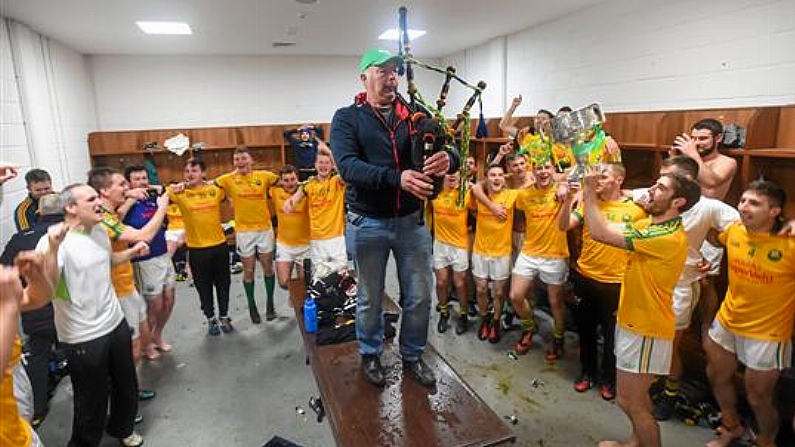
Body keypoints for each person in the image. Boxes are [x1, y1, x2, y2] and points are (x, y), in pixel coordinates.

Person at [330, 48, 457, 387]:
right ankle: (371, 353)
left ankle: (413, 355)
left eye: (395, 71)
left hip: (411, 223)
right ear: (363, 77)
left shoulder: (414, 113)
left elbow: (448, 143)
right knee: (370, 296)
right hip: (367, 222)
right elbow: (348, 167)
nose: (391, 77)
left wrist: (450, 158)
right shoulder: (347, 118)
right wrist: (396, 177)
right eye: (382, 70)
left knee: (419, 295)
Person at [581, 167, 699, 447]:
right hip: (633, 321)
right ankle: (635, 442)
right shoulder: (653, 225)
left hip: (646, 329)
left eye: (660, 187)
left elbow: (599, 233)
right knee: (638, 399)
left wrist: (587, 191)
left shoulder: (665, 237)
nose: (651, 190)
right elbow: (608, 227)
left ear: (677, 202)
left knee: (629, 401)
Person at [36, 184, 149, 447]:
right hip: (83, 336)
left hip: (114, 322)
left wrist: (131, 252)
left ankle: (122, 428)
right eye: (91, 198)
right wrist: (52, 250)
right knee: (91, 400)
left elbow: (105, 261)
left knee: (126, 385)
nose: (99, 201)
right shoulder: (54, 242)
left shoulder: (98, 230)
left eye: (98, 196)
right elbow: (48, 288)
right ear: (71, 208)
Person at [631, 156, 740, 421]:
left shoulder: (708, 207)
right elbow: (624, 193)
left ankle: (670, 394)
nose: (656, 187)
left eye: (665, 180)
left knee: (669, 347)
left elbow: (741, 229)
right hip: (646, 282)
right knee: (647, 342)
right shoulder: (654, 198)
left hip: (678, 287)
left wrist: (710, 252)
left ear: (686, 183)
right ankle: (646, 386)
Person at [703, 180, 795, 447]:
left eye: (754, 203)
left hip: (767, 332)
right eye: (742, 201)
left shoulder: (789, 244)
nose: (744, 207)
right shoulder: (734, 231)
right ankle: (731, 425)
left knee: (758, 397)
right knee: (717, 376)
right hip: (728, 320)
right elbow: (712, 235)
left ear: (775, 211)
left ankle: (766, 440)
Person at [559, 162, 646, 401]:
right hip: (586, 278)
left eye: (603, 175)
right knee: (585, 331)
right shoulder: (589, 204)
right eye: (595, 175)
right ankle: (588, 373)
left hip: (618, 283)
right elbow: (564, 225)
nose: (597, 179)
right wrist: (567, 201)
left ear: (619, 180)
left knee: (612, 336)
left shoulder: (637, 209)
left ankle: (609, 379)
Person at [88, 167, 168, 404]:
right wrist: (163, 205)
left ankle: (128, 388)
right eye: (121, 184)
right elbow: (144, 234)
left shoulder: (110, 213)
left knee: (142, 340)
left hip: (126, 284)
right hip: (116, 292)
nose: (127, 188)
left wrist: (131, 251)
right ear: (104, 190)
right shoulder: (102, 217)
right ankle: (122, 399)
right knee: (130, 350)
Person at [0, 193, 64, 426]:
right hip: (71, 308)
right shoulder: (74, 232)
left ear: (38, 213)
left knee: (38, 354)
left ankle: (38, 409)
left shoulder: (20, 239)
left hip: (37, 312)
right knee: (82, 355)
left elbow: (7, 270)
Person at [505, 160, 569, 361]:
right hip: (530, 251)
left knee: (555, 300)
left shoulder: (563, 191)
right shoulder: (524, 194)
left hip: (555, 253)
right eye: (539, 168)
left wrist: (564, 185)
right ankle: (529, 327)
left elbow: (580, 179)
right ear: (533, 171)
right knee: (515, 295)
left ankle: (558, 338)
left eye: (547, 167)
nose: (543, 172)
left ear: (553, 170)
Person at [214, 147, 280, 322]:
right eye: (237, 159)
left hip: (264, 230)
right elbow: (210, 185)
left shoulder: (264, 176)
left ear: (251, 160)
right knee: (248, 271)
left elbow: (283, 182)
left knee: (268, 268)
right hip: (244, 232)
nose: (240, 162)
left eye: (243, 158)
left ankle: (270, 304)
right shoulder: (228, 179)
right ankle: (252, 306)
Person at [167, 158, 232, 335]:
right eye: (187, 171)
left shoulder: (215, 190)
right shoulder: (179, 192)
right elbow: (159, 191)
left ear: (203, 173)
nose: (190, 174)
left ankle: (224, 316)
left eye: (194, 171)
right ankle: (211, 318)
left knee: (223, 284)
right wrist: (177, 186)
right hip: (197, 250)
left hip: (219, 246)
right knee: (203, 286)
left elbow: (228, 190)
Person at [122, 166, 177, 359]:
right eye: (137, 179)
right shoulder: (125, 202)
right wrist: (129, 196)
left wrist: (149, 188)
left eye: (144, 178)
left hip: (163, 253)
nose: (142, 182)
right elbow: (118, 216)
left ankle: (157, 334)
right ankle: (146, 345)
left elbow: (166, 190)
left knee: (169, 299)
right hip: (144, 259)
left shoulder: (153, 196)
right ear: (128, 182)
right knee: (154, 304)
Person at [469, 164, 518, 343]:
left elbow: (528, 180)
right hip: (480, 250)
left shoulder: (511, 195)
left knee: (498, 292)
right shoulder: (480, 196)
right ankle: (484, 318)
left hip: (502, 253)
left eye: (500, 175)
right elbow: (474, 187)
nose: (496, 178)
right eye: (492, 175)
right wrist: (492, 207)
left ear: (504, 179)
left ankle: (496, 321)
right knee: (481, 289)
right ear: (486, 178)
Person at [283, 146, 347, 276]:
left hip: (336, 237)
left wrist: (330, 152)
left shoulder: (336, 182)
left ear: (332, 166)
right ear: (315, 165)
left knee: (341, 273)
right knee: (321, 274)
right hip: (317, 238)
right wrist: (289, 203)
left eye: (327, 163)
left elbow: (345, 173)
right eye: (321, 162)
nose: (324, 166)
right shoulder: (309, 184)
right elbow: (296, 197)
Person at [429, 171, 471, 335]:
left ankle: (463, 314)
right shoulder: (435, 193)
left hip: (459, 246)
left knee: (460, 283)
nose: (452, 176)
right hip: (440, 244)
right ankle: (444, 312)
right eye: (448, 173)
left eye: (455, 172)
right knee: (441, 282)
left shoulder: (466, 193)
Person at [270, 165, 310, 289]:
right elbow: (264, 180)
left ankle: (298, 300)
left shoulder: (305, 193)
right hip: (284, 246)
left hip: (305, 246)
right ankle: (294, 294)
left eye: (292, 179)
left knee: (304, 284)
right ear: (281, 181)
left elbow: (313, 183)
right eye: (286, 180)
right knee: (283, 282)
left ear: (297, 179)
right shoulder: (275, 192)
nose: (290, 183)